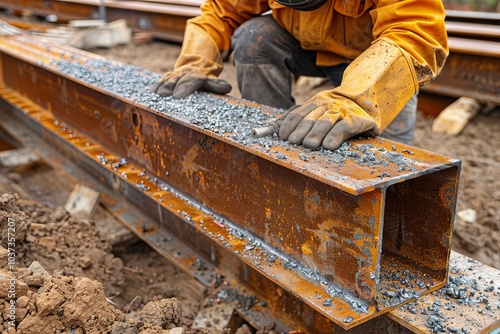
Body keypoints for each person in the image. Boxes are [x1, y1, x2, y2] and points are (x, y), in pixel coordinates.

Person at [149, 0, 448, 151]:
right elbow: (219, 12)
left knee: (389, 152)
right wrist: (194, 61)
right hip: (303, 44)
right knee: (254, 36)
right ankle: (271, 144)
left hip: (374, 57)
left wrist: (360, 99)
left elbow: (415, 35)